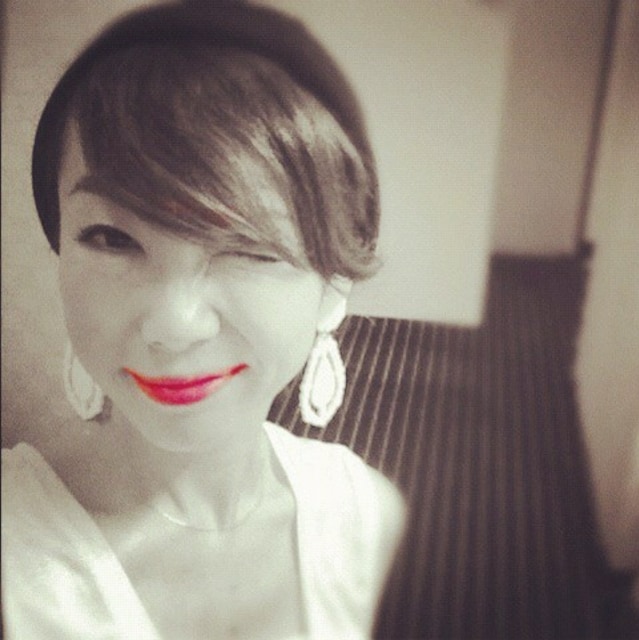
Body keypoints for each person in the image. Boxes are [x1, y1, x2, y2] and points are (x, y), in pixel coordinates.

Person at [1, 2, 406, 639]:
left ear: (334, 284)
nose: (174, 324)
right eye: (112, 238)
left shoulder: (368, 520)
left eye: (250, 248)